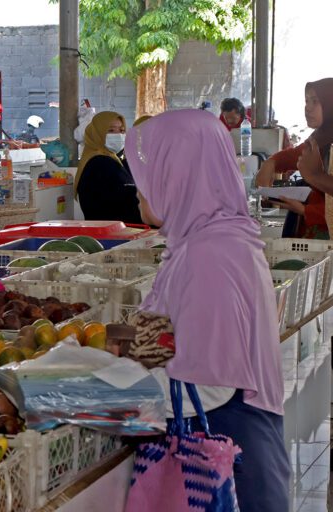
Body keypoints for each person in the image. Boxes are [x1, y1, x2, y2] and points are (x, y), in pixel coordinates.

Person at [125, 109, 289, 512]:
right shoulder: (202, 240)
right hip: (231, 450)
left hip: (231, 467)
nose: (138, 191)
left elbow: (213, 385)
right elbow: (171, 340)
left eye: (147, 177)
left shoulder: (212, 254)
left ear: (178, 175)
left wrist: (104, 398)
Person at [255, 78, 332, 239]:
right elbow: (295, 156)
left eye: (315, 102)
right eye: (306, 101)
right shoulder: (320, 138)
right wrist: (271, 163)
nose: (307, 108)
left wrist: (306, 210)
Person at [74, 111, 143, 224]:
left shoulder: (111, 160)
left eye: (121, 130)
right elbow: (125, 199)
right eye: (111, 130)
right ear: (97, 134)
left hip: (118, 228)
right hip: (112, 233)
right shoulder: (100, 163)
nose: (118, 135)